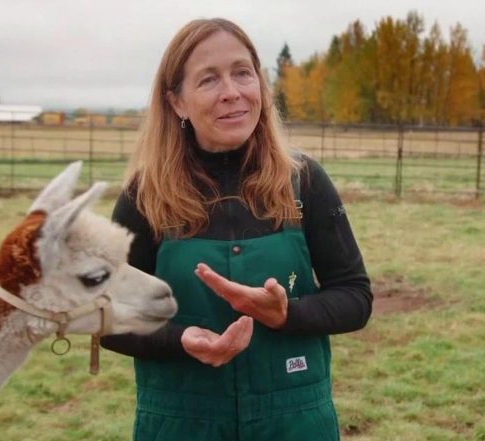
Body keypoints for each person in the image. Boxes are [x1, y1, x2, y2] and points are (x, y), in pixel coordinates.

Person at [100, 17, 372, 441]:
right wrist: (180, 339)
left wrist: (287, 314)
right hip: (181, 422)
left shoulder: (304, 181)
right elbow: (105, 315)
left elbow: (356, 298)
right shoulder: (146, 195)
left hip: (295, 421)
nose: (232, 92)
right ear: (177, 103)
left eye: (243, 73)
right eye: (208, 80)